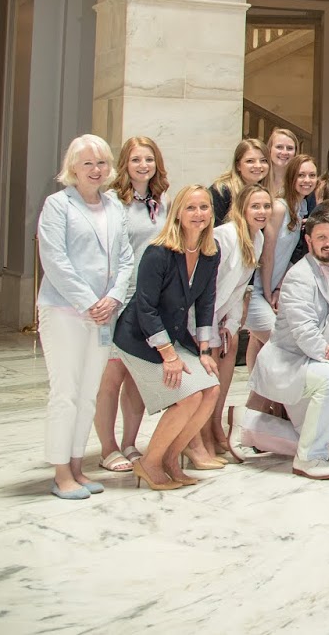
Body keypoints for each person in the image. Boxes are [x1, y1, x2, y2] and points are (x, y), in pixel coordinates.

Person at [36, 134, 136, 499]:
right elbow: (55, 259)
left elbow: (126, 258)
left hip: (104, 313)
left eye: (102, 163)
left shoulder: (113, 205)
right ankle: (61, 472)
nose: (96, 170)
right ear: (72, 168)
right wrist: (88, 301)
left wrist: (111, 299)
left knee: (89, 394)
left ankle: (78, 467)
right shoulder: (58, 205)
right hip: (64, 310)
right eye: (88, 163)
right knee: (66, 392)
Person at [112, 184, 221, 491]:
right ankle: (149, 463)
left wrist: (203, 350)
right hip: (138, 337)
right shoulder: (158, 252)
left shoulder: (210, 253)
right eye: (190, 208)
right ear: (177, 214)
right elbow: (145, 308)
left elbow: (206, 301)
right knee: (188, 396)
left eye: (204, 208)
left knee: (210, 389)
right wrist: (169, 355)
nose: (198, 214)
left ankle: (171, 458)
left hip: (174, 335)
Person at [248, 211, 329, 480]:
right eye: (322, 237)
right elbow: (306, 335)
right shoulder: (298, 277)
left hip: (324, 361)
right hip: (291, 363)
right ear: (308, 240)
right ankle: (308, 459)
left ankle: (250, 428)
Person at [93, 136, 170, 474]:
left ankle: (129, 442)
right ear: (125, 163)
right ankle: (107, 447)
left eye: (149, 159)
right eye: (137, 159)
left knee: (137, 377)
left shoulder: (160, 201)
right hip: (119, 298)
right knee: (112, 376)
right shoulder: (112, 201)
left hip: (148, 301)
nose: (143, 166)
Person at [198, 184, 271, 465]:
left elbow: (240, 288)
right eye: (255, 206)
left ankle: (216, 428)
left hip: (225, 320)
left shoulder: (258, 238)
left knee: (224, 378)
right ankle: (200, 438)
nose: (262, 212)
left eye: (266, 206)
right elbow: (209, 285)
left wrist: (230, 325)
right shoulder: (224, 237)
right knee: (208, 381)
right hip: (203, 320)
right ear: (241, 208)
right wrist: (210, 328)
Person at [249, 154, 317, 371]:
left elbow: (290, 255)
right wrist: (268, 292)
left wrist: (279, 287)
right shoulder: (278, 208)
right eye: (301, 175)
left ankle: (266, 405)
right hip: (257, 289)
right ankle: (258, 401)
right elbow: (266, 254)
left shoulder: (302, 207)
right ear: (291, 177)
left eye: (312, 175)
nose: (307, 180)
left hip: (274, 287)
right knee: (279, 344)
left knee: (270, 352)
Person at [209, 138, 268, 226]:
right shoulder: (221, 191)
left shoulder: (264, 190)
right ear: (238, 165)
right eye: (250, 161)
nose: (258, 165)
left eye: (263, 160)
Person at [263, 127, 300, 198]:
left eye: (290, 148)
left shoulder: (299, 182)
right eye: (279, 147)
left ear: (295, 152)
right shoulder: (259, 178)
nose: (284, 152)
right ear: (270, 149)